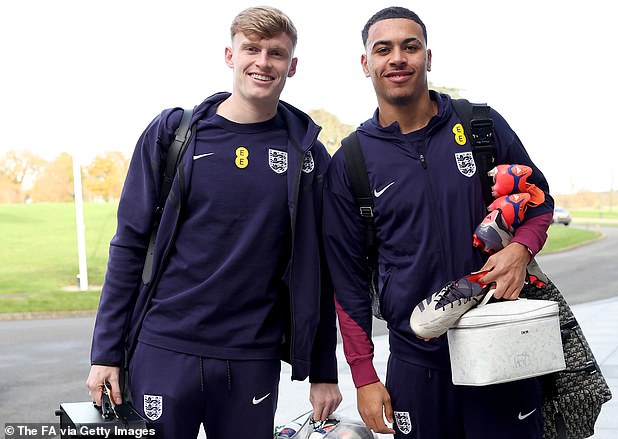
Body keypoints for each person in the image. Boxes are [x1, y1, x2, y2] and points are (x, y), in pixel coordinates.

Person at [86, 6, 341, 438]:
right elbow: (129, 244)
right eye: (251, 49)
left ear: (291, 66)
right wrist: (105, 352)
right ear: (230, 55)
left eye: (276, 53)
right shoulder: (174, 136)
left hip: (251, 357)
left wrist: (323, 370)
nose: (263, 62)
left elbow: (318, 270)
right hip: (165, 346)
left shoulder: (309, 158)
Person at [322, 6, 553, 439]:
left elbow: (538, 198)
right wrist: (364, 376)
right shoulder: (351, 162)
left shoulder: (480, 124)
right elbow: (347, 280)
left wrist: (521, 249)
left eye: (410, 47)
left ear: (428, 57)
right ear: (365, 63)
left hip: (501, 344)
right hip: (417, 361)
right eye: (383, 49)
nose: (397, 58)